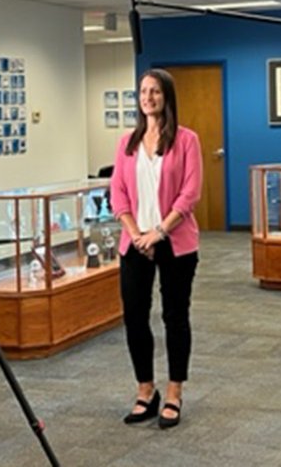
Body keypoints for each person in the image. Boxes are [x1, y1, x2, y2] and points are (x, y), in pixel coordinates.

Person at [110, 68, 202, 429]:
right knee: (134, 316)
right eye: (143, 91)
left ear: (167, 97)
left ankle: (175, 392)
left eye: (155, 92)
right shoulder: (127, 143)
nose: (147, 98)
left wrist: (159, 233)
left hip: (175, 242)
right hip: (134, 242)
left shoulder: (186, 140)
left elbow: (189, 194)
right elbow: (117, 191)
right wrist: (135, 233)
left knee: (174, 317)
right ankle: (145, 391)